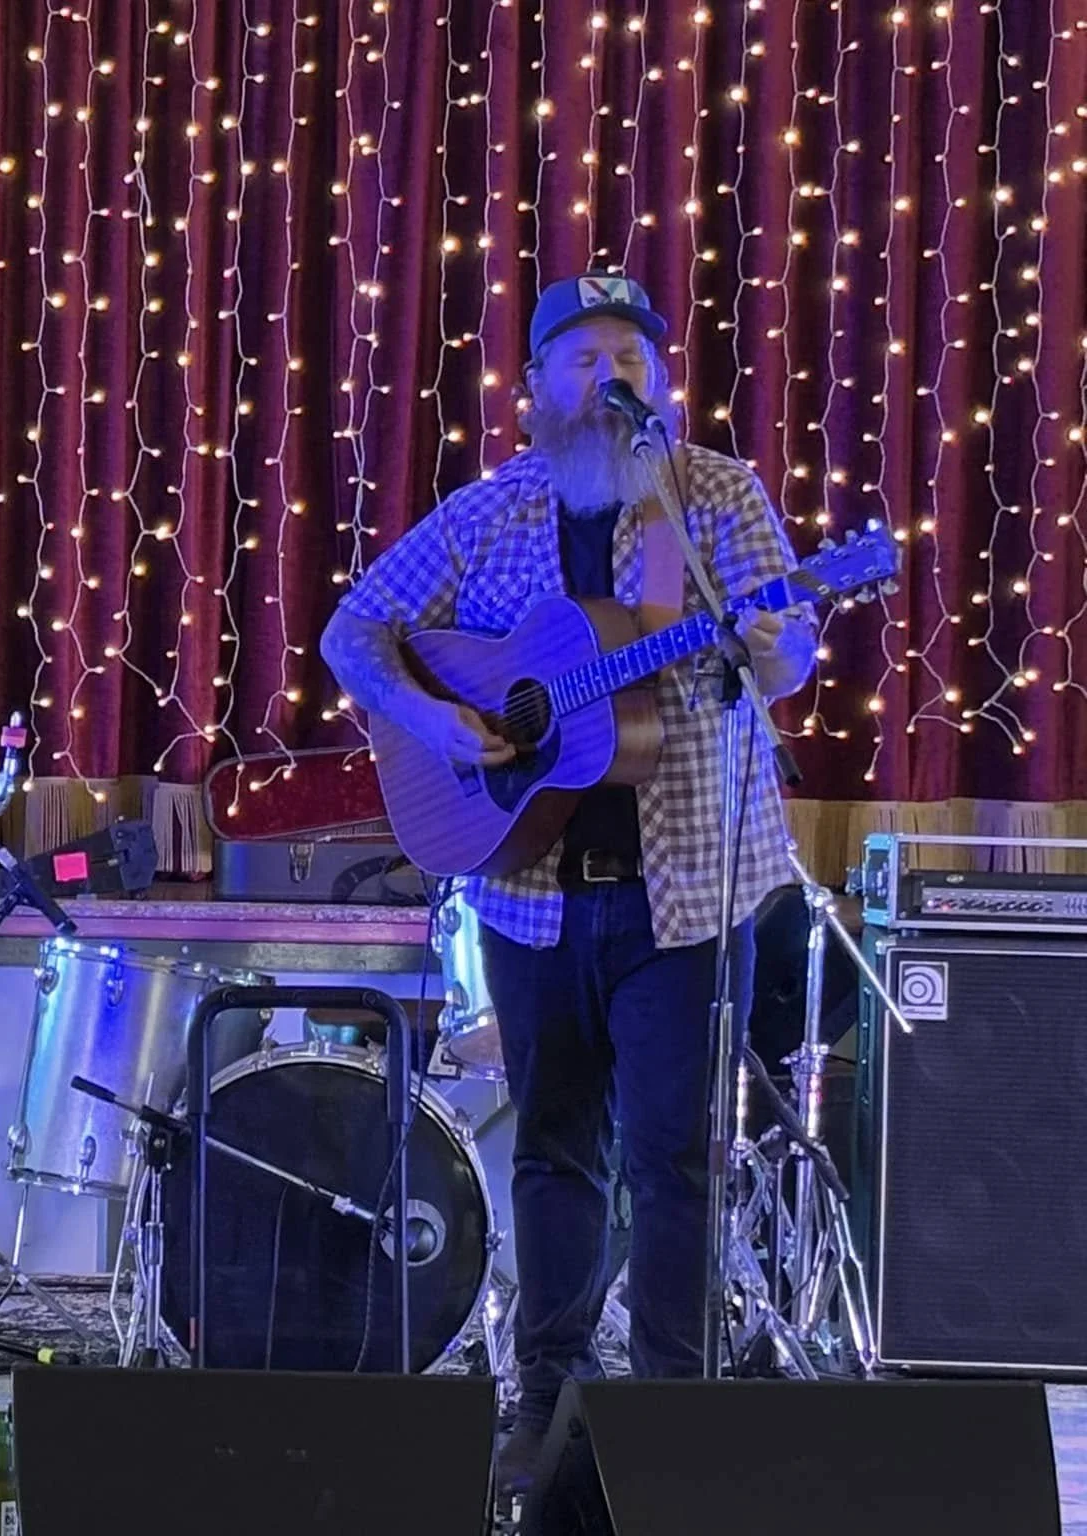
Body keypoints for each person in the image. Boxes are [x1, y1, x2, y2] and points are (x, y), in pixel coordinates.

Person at [320, 272, 818, 1491]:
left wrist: (773, 646)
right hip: (530, 891)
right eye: (584, 358)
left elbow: (790, 655)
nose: (611, 377)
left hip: (684, 893)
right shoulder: (488, 512)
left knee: (673, 1159)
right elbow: (352, 631)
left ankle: (668, 1426)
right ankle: (542, 1406)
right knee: (551, 1152)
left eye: (631, 358)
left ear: (662, 380)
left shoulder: (716, 498)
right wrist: (434, 721)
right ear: (536, 384)